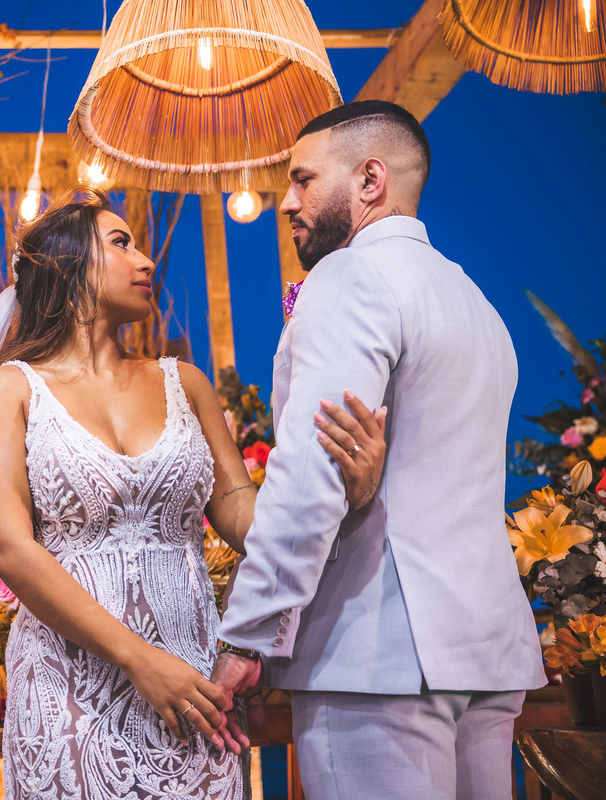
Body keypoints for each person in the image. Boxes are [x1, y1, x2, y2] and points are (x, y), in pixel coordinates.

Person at [0, 187, 387, 800]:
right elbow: (9, 548)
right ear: (66, 267)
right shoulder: (8, 390)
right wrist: (139, 659)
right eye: (121, 243)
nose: (146, 261)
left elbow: (245, 518)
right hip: (69, 684)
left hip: (194, 681)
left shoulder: (185, 382)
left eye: (140, 244)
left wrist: (342, 490)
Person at [209, 100, 547, 799]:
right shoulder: (474, 302)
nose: (286, 201)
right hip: (485, 654)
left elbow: (312, 472)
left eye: (303, 180)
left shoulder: (353, 278)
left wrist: (247, 636)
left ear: (370, 179)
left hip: (379, 653)